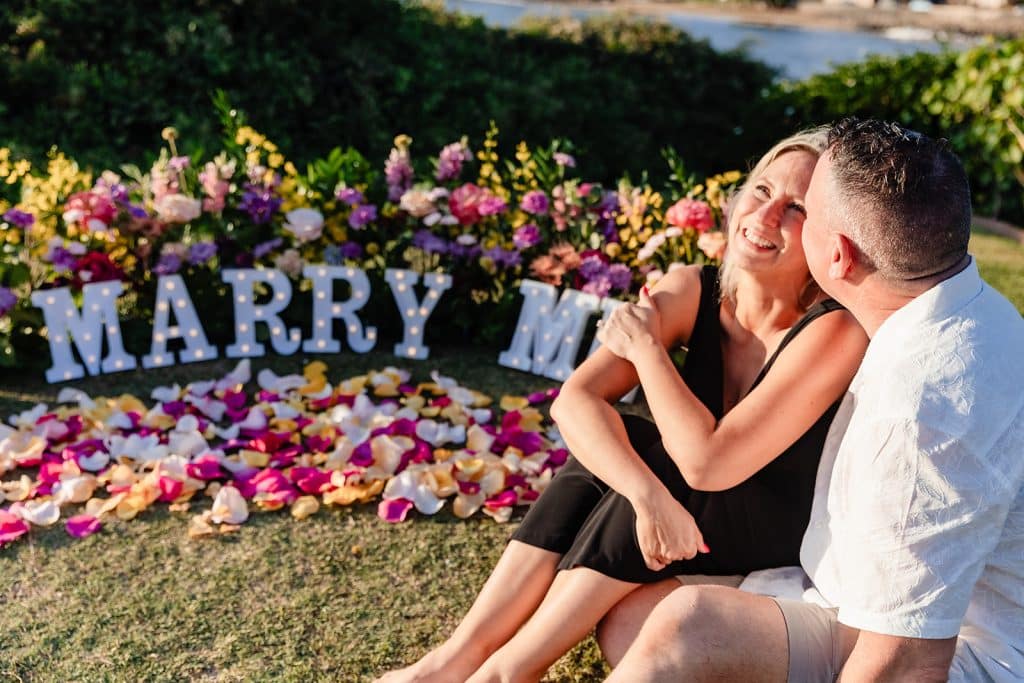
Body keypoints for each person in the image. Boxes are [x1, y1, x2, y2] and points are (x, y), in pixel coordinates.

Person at [375, 128, 868, 683]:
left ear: (827, 235)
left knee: (673, 462)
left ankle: (507, 673)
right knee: (623, 444)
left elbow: (709, 462)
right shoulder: (694, 288)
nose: (767, 213)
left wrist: (647, 348)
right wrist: (646, 497)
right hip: (689, 507)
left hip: (775, 522)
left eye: (797, 206)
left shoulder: (836, 328)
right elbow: (576, 401)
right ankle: (459, 657)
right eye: (761, 189)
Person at [599, 118, 1024, 682]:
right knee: (634, 623)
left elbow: (906, 662)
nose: (776, 219)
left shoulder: (921, 416)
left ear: (838, 257)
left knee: (686, 626)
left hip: (959, 656)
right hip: (852, 593)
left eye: (805, 214)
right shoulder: (964, 303)